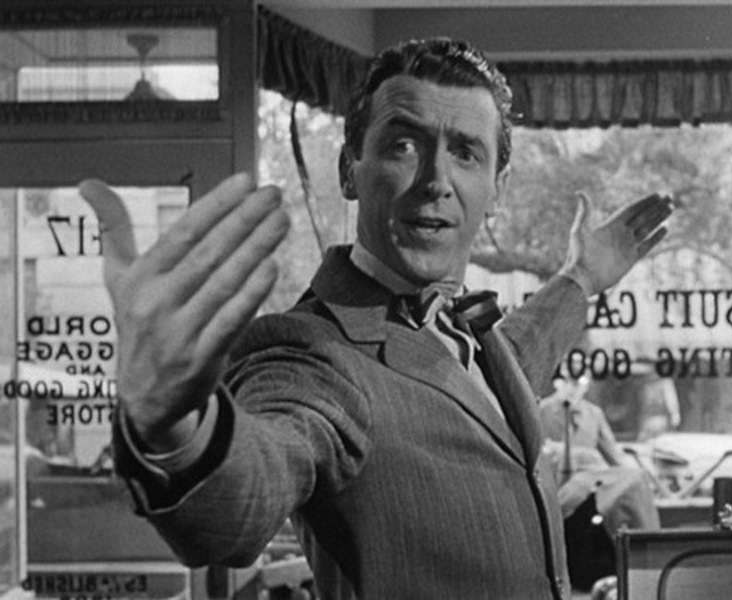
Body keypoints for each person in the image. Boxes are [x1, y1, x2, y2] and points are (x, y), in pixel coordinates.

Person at [79, 38, 672, 600]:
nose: (436, 182)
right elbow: (243, 496)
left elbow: (515, 358)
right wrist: (173, 426)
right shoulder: (314, 356)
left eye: (465, 152)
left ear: (497, 188)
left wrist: (580, 279)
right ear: (349, 169)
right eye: (404, 145)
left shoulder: (464, 339)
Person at [540, 373, 624, 475]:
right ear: (556, 383)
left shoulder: (594, 413)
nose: (571, 388)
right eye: (567, 382)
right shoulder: (540, 410)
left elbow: (614, 457)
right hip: (551, 479)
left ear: (586, 387)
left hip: (585, 481)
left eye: (578, 383)